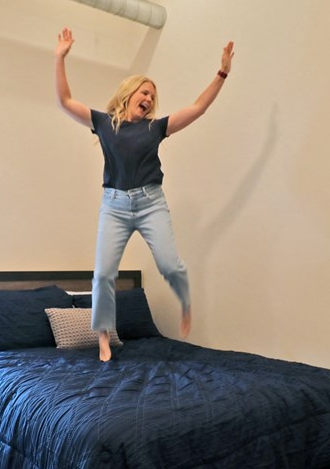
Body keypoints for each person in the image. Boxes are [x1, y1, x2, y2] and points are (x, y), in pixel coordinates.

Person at [54, 27, 234, 361]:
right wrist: (60, 57)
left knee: (170, 264)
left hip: (151, 202)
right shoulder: (104, 123)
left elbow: (198, 108)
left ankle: (185, 303)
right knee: (104, 273)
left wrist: (222, 72)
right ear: (129, 92)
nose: (149, 99)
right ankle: (104, 335)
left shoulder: (156, 128)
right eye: (145, 92)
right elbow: (64, 101)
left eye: (153, 95)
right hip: (115, 205)